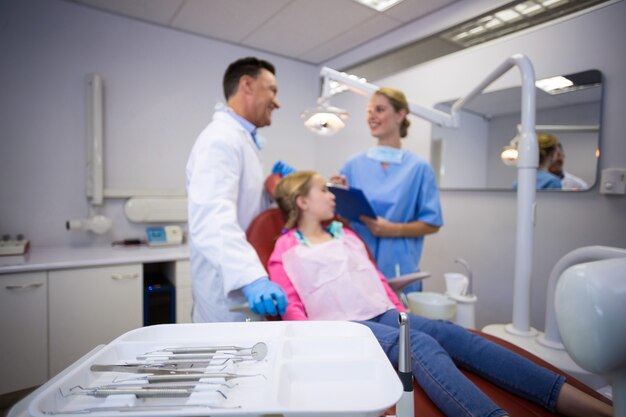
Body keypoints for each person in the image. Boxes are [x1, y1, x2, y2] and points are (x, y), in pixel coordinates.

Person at [268, 170, 612, 417]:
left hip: (382, 313)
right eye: (322, 191)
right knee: (421, 346)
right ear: (302, 201)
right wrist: (319, 342)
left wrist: (400, 313)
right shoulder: (284, 249)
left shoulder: (346, 235)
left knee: (454, 334)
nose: (332, 195)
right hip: (343, 327)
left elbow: (374, 279)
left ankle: (580, 402)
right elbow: (292, 306)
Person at [186, 57, 287, 322]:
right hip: (227, 291)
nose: (277, 102)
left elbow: (244, 207)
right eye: (273, 90)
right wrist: (252, 279)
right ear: (247, 85)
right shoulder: (220, 139)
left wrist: (274, 190)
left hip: (241, 278)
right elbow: (212, 219)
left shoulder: (242, 140)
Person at [331, 87, 442, 292]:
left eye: (379, 109)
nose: (371, 116)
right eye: (369, 111)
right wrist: (339, 197)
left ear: (400, 115)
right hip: (358, 264)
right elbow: (339, 219)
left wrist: (395, 229)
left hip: (400, 269)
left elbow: (432, 224)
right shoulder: (353, 165)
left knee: (400, 321)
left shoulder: (419, 168)